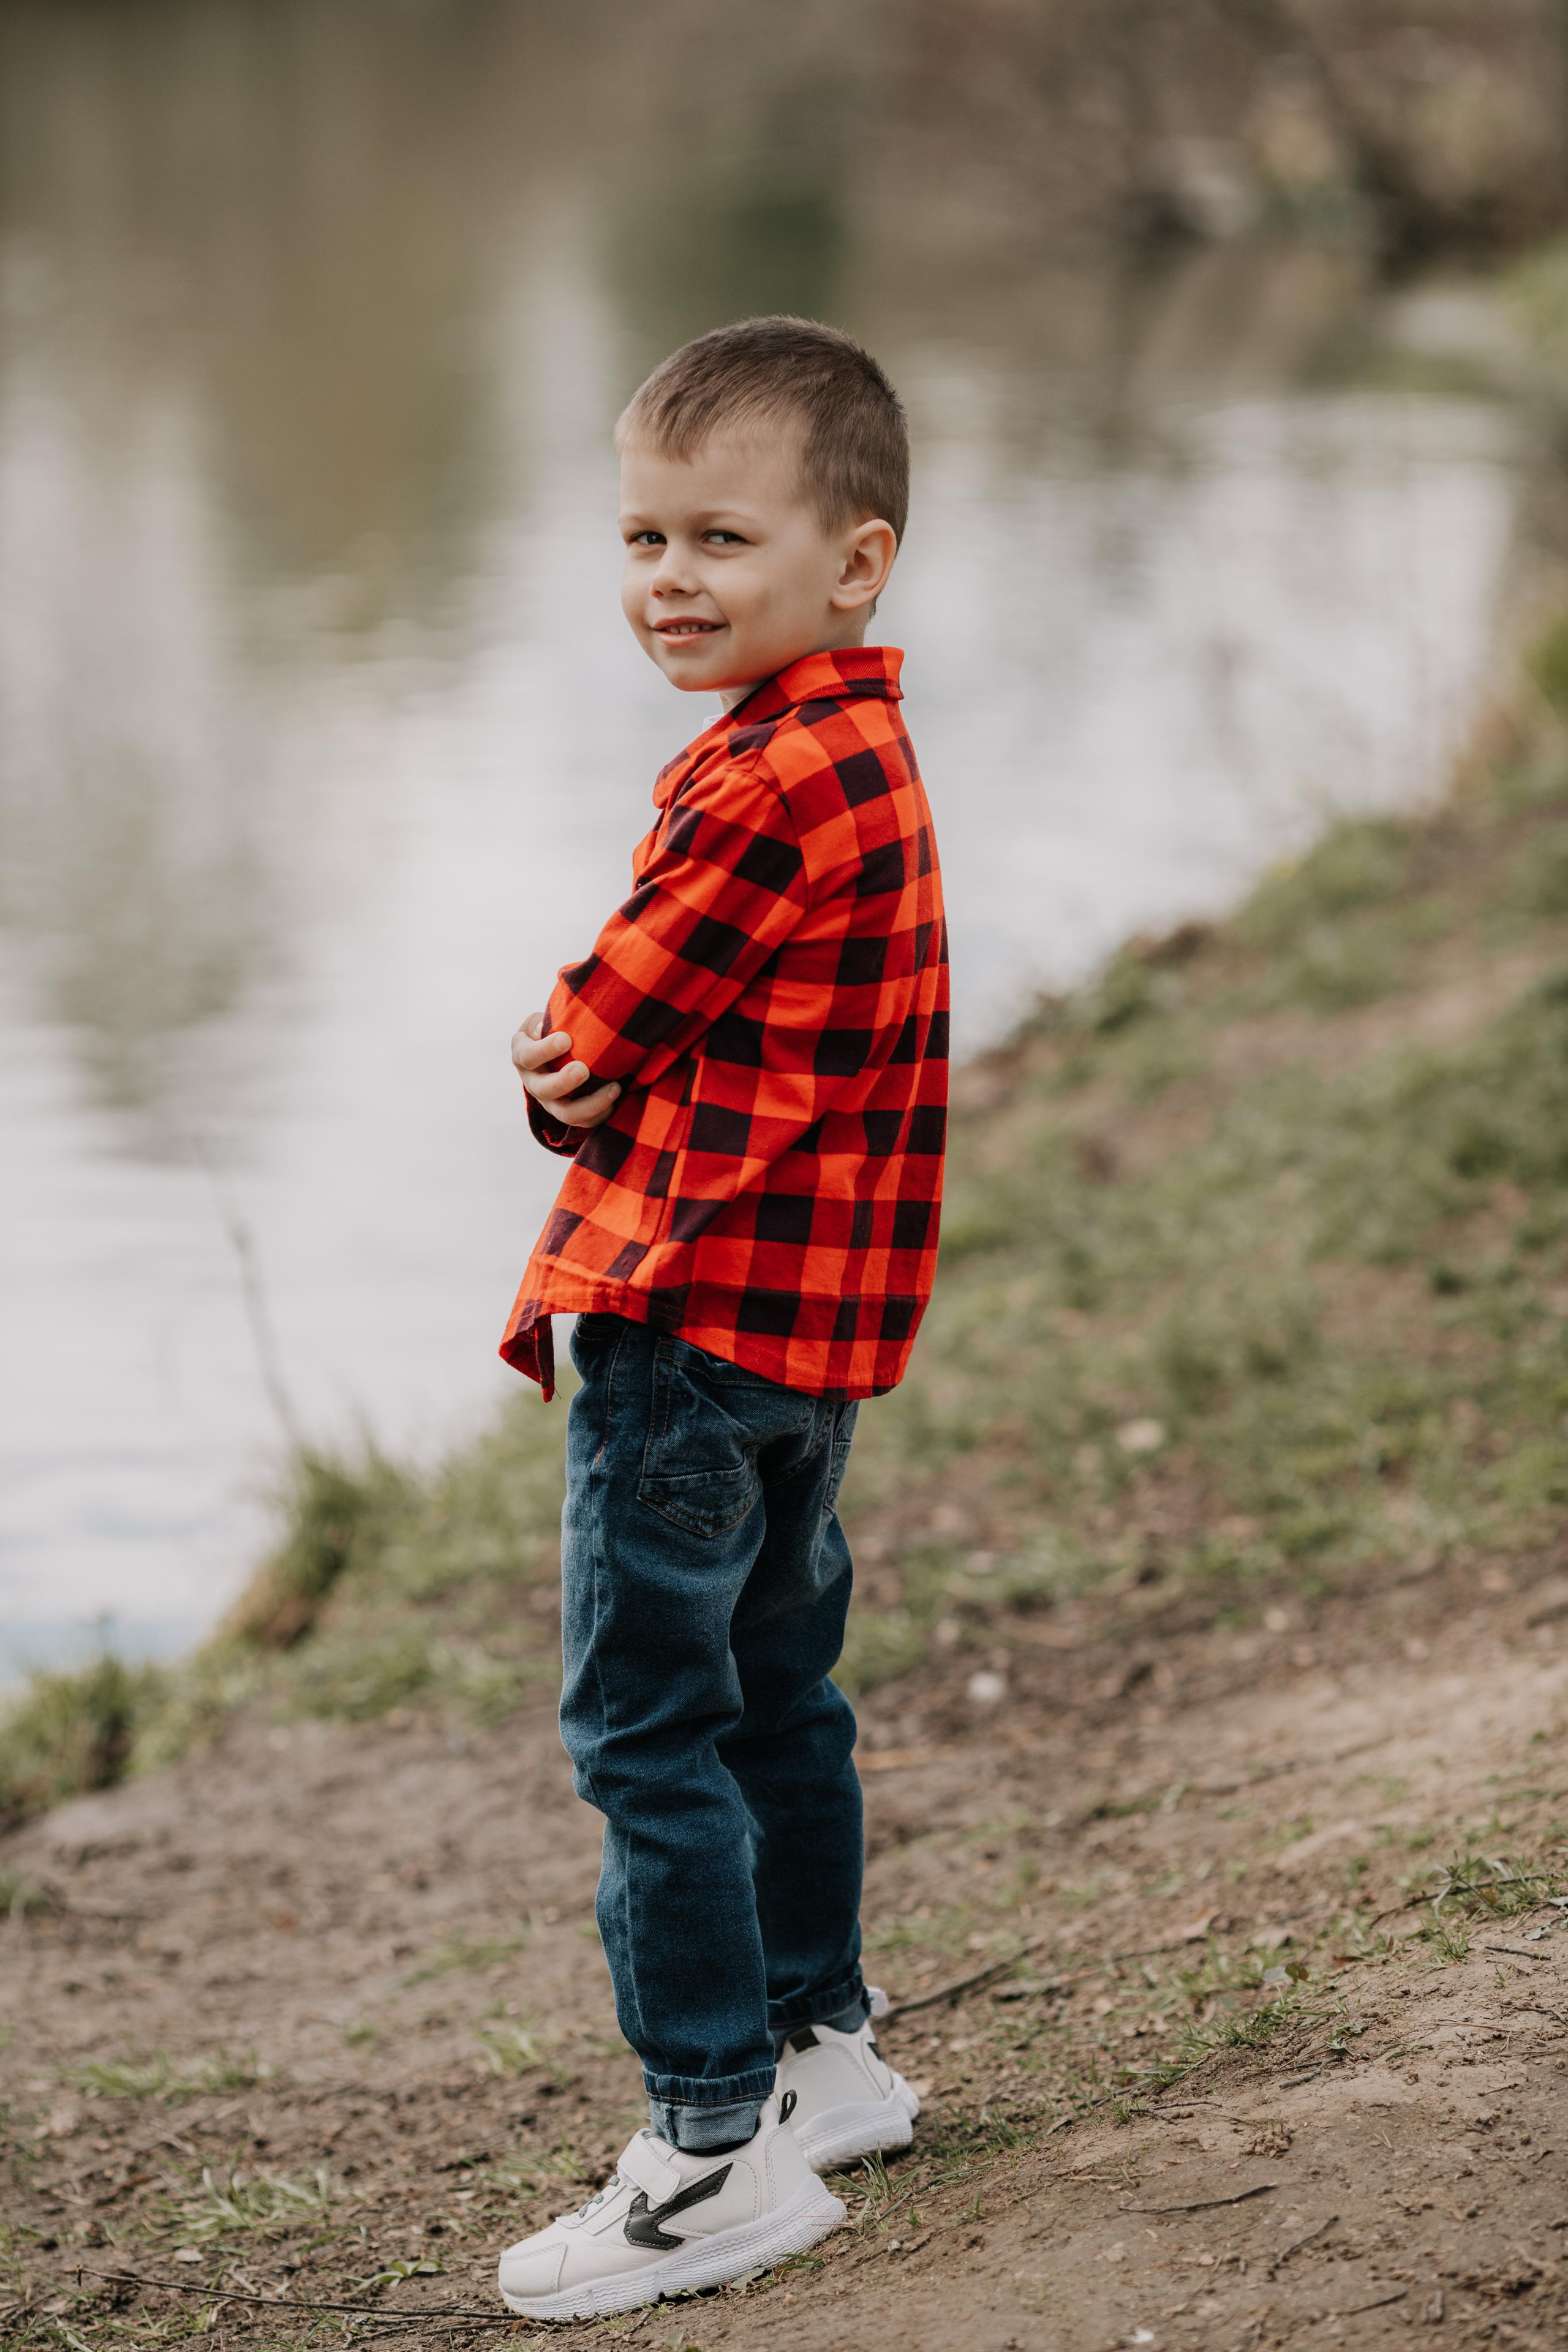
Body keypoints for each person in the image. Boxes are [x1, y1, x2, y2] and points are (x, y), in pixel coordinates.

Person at [493, 315, 948, 2323]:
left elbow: (600, 1024)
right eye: (640, 537)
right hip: (811, 1336)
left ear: (853, 561)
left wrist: (558, 1058)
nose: (665, 581)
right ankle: (817, 2051)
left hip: (690, 1327)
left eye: (716, 540)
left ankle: (706, 2147)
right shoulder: (864, 742)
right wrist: (596, 1053)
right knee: (779, 1695)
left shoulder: (760, 780)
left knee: (647, 1730)